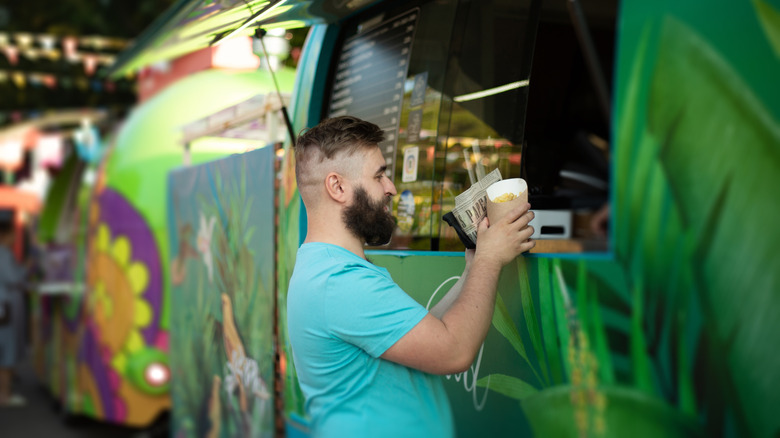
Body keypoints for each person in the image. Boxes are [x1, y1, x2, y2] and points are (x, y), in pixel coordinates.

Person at [287, 116, 535, 437]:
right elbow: (453, 350)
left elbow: (421, 334)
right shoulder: (339, 282)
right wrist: (489, 258)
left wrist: (473, 268)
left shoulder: (326, 268)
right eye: (379, 176)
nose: (391, 187)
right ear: (337, 187)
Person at [0, 226, 28, 407]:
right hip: (5, 308)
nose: (14, 239)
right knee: (6, 352)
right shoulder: (3, 254)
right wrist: (26, 267)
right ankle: (5, 396)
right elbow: (13, 278)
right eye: (12, 235)